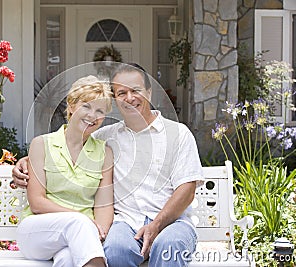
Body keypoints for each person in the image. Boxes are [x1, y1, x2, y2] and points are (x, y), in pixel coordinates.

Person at [13, 63, 203, 266]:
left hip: (172, 223)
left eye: (136, 90)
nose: (129, 98)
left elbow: (187, 189)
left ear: (149, 93)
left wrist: (156, 225)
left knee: (169, 245)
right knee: (116, 250)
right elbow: (72, 140)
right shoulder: (108, 137)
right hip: (127, 223)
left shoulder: (179, 134)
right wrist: (26, 161)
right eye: (122, 93)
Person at [16, 75, 114, 267]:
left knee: (68, 260)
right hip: (37, 231)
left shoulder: (105, 153)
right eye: (86, 106)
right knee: (77, 225)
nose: (92, 116)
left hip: (82, 234)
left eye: (99, 110)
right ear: (70, 106)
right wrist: (80, 218)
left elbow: (104, 206)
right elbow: (37, 202)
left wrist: (99, 231)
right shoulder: (42, 144)